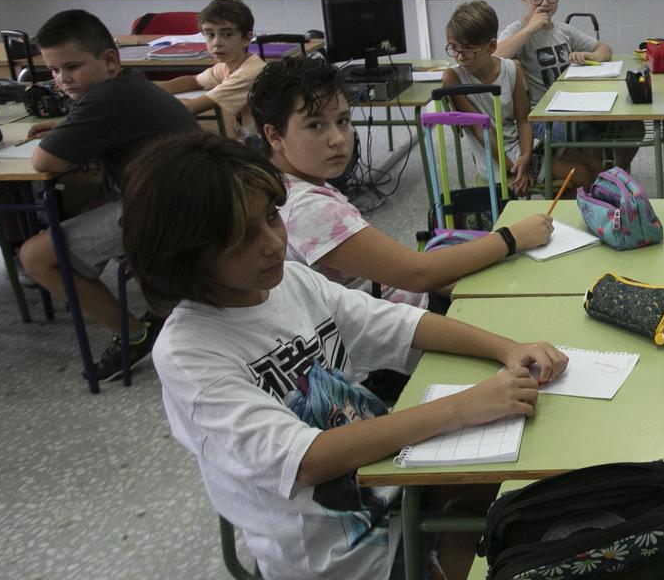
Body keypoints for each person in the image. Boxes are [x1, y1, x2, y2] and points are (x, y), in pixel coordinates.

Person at [122, 131, 567, 580]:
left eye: (272, 217)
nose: (274, 242)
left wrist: (507, 347)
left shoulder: (290, 282)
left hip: (395, 486)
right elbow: (308, 460)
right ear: (186, 255)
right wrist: (462, 406)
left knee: (551, 487)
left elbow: (398, 323)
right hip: (344, 555)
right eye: (242, 237)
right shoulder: (189, 353)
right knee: (533, 554)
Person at [248, 57, 554, 297]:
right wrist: (512, 238)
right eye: (315, 125)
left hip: (398, 305)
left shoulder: (286, 185)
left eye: (342, 121)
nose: (338, 139)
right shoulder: (308, 207)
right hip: (395, 331)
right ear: (274, 134)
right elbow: (417, 275)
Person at [18, 9, 199, 380]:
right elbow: (102, 123)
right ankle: (156, 300)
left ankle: (133, 334)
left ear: (110, 60)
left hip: (166, 212)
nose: (62, 80)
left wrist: (64, 129)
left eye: (71, 67)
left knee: (35, 255)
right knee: (80, 202)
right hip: (186, 198)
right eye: (53, 71)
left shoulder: (105, 99)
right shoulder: (126, 85)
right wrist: (66, 124)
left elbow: (41, 161)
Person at [442, 0, 599, 195]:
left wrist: (526, 156)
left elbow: (524, 120)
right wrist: (514, 169)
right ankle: (562, 215)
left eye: (469, 49)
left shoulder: (511, 68)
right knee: (582, 175)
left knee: (595, 165)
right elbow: (481, 132)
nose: (460, 56)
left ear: (491, 47)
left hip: (522, 148)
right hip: (496, 159)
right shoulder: (453, 78)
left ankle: (567, 212)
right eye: (454, 47)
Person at [496, 0, 637, 171]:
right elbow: (496, 56)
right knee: (594, 142)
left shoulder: (563, 30)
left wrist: (592, 55)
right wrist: (530, 29)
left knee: (632, 128)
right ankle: (602, 181)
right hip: (543, 117)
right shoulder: (517, 31)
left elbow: (605, 48)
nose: (544, 3)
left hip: (578, 106)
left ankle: (618, 175)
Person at [156, 0, 264, 140]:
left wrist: (151, 99)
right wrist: (152, 91)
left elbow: (191, 107)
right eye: (210, 34)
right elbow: (194, 80)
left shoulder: (250, 72)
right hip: (250, 141)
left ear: (246, 38)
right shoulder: (226, 65)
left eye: (227, 34)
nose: (216, 43)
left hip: (267, 149)